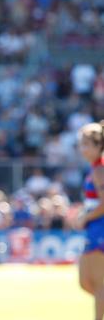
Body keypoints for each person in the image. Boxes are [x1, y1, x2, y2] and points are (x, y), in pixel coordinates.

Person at [77, 122, 104, 320]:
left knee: (97, 283)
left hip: (99, 228)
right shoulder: (94, 169)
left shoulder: (99, 171)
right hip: (93, 227)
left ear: (99, 146)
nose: (83, 149)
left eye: (87, 144)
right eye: (82, 144)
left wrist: (85, 217)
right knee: (86, 281)